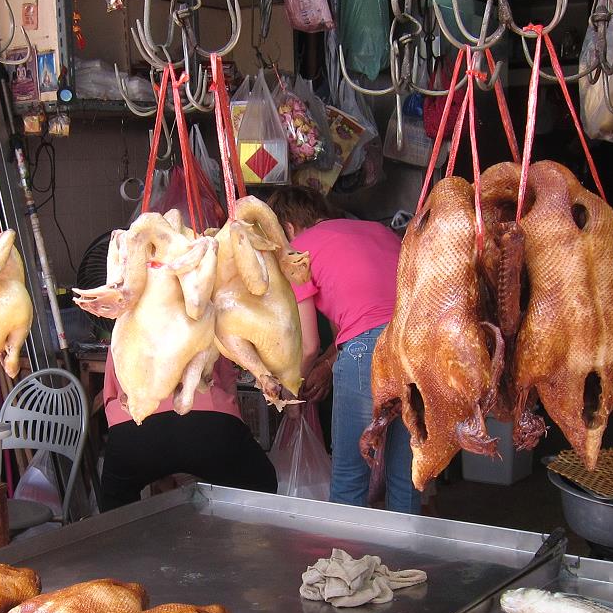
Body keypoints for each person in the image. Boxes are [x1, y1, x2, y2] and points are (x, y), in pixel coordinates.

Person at [267, 186, 420, 513]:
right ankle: (405, 558)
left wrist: (291, 392)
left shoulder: (296, 252)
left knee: (351, 475)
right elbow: (353, 326)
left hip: (368, 350)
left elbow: (309, 345)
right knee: (405, 475)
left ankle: (344, 562)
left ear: (288, 228)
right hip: (418, 345)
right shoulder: (377, 230)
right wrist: (327, 363)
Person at [99, 354, 278, 510]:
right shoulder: (206, 315)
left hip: (134, 424)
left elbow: (111, 400)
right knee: (262, 482)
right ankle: (240, 542)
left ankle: (127, 547)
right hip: (210, 419)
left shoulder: (123, 319)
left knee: (115, 505)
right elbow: (229, 387)